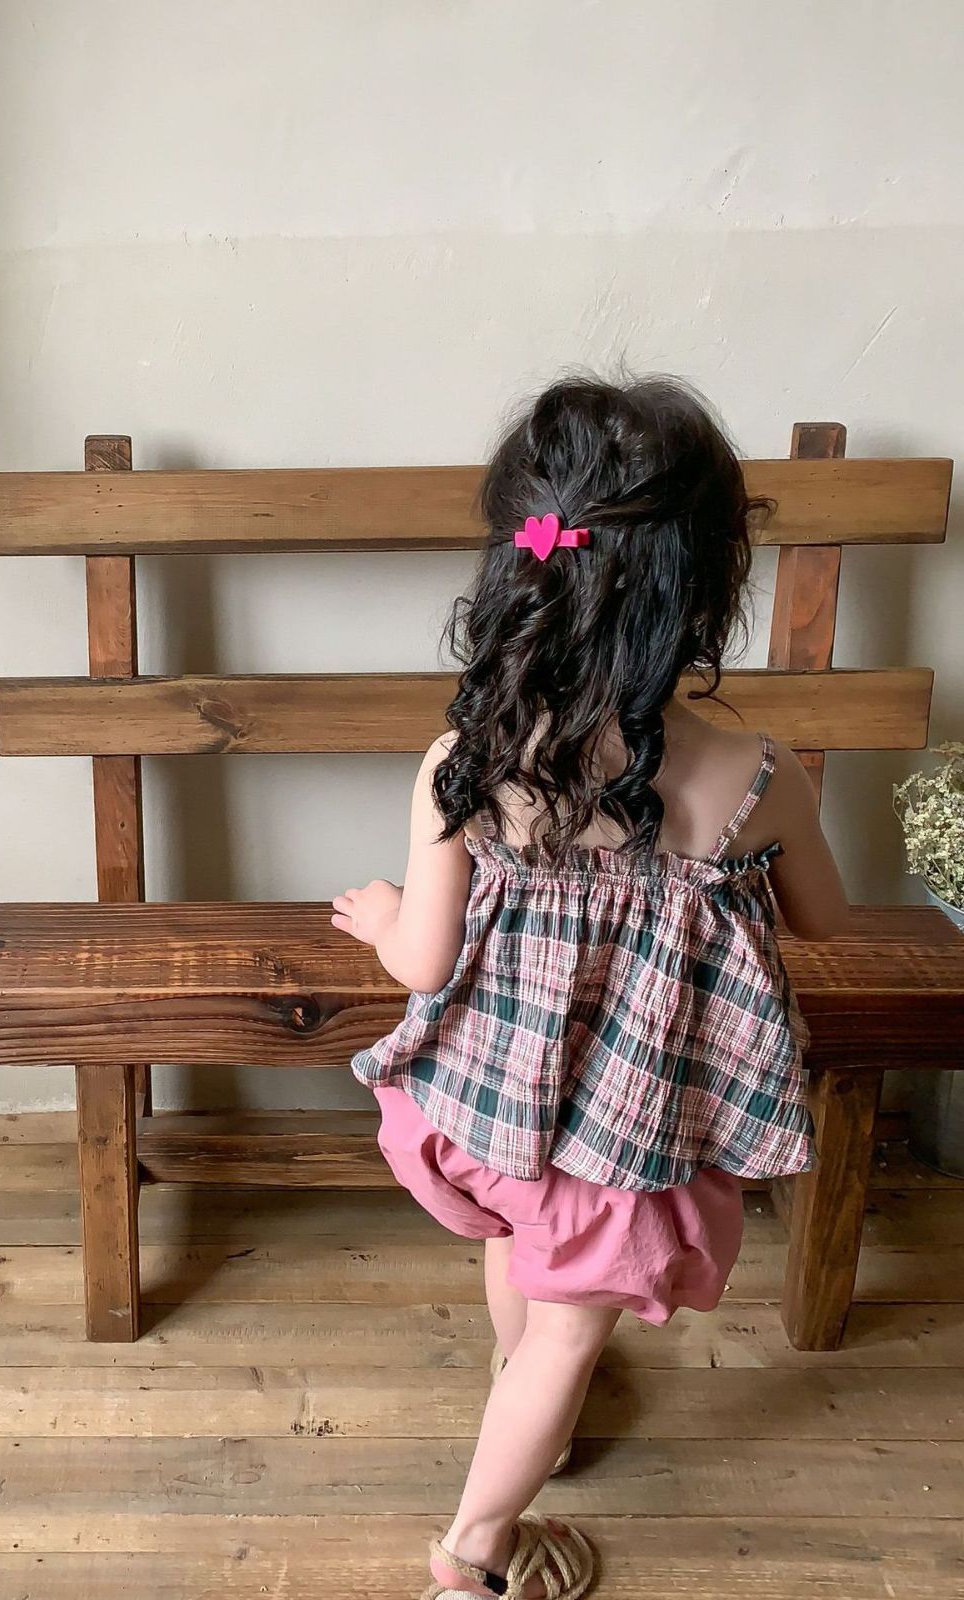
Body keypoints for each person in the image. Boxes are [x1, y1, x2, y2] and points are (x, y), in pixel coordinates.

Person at [332, 376, 851, 1600]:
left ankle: (521, 1444)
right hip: (623, 1131)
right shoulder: (755, 774)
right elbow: (825, 920)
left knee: (525, 1253)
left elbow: (421, 964)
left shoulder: (466, 760)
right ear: (705, 588)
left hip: (492, 1107)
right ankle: (473, 1552)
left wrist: (385, 919)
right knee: (570, 1323)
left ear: (519, 564)